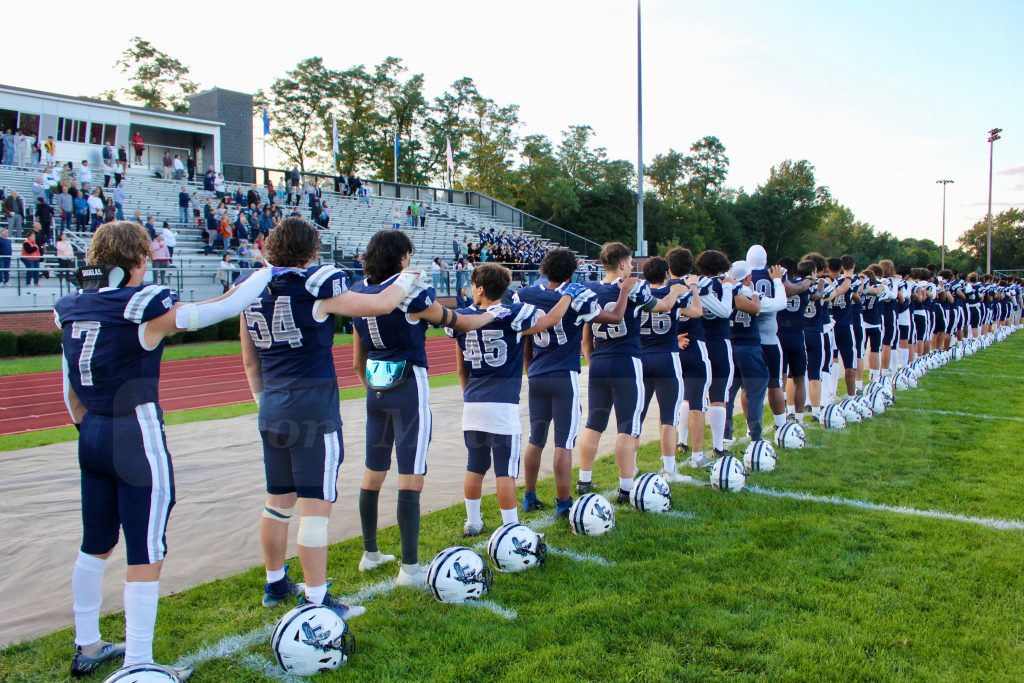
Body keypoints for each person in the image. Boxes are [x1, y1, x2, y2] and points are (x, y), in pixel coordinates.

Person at [56, 220, 276, 679]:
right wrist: (266, 272)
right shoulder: (141, 304)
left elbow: (69, 390)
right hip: (134, 432)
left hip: (92, 432)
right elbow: (214, 310)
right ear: (139, 261)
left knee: (94, 544)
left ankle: (88, 644)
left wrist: (89, 429)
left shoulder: (73, 307)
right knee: (145, 549)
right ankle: (139, 664)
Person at [239, 217, 429, 617]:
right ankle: (316, 597)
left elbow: (250, 363)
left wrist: (265, 401)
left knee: (277, 501)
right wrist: (408, 276)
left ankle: (275, 584)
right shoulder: (314, 292)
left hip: (272, 403)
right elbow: (380, 304)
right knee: (315, 506)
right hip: (312, 405)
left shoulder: (252, 292)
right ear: (311, 253)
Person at [349, 230, 506, 588]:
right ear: (401, 256)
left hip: (375, 385)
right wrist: (489, 315)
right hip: (408, 384)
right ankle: (409, 568)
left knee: (373, 472)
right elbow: (458, 321)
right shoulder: (408, 291)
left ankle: (370, 553)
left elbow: (357, 359)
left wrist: (373, 387)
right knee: (411, 474)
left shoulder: (358, 293)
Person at [452, 264, 581, 535]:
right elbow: (549, 320)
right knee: (504, 471)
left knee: (475, 465)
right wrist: (568, 297)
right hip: (502, 404)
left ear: (479, 288)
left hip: (473, 403)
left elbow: (460, 366)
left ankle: (473, 522)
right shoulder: (515, 313)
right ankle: (511, 527)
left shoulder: (463, 316)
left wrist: (468, 393)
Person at [515, 248, 629, 517]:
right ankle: (563, 503)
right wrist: (624, 292)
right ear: (572, 271)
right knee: (563, 443)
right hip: (563, 374)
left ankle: (529, 497)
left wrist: (530, 369)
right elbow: (614, 317)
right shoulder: (577, 296)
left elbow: (527, 339)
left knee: (536, 438)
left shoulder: (527, 294)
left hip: (537, 374)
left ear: (544, 269)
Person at [577, 242, 686, 503]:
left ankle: (584, 479)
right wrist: (677, 291)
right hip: (626, 361)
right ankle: (626, 487)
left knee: (594, 423)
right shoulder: (634, 289)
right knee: (627, 425)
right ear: (623, 264)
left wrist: (593, 361)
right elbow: (661, 307)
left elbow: (584, 338)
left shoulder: (590, 290)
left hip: (599, 361)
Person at [638, 256, 702, 482]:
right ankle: (669, 470)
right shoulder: (674, 296)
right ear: (666, 274)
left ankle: (631, 467)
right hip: (666, 358)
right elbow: (697, 312)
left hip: (641, 359)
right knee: (668, 418)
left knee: (636, 417)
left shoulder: (639, 296)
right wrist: (692, 287)